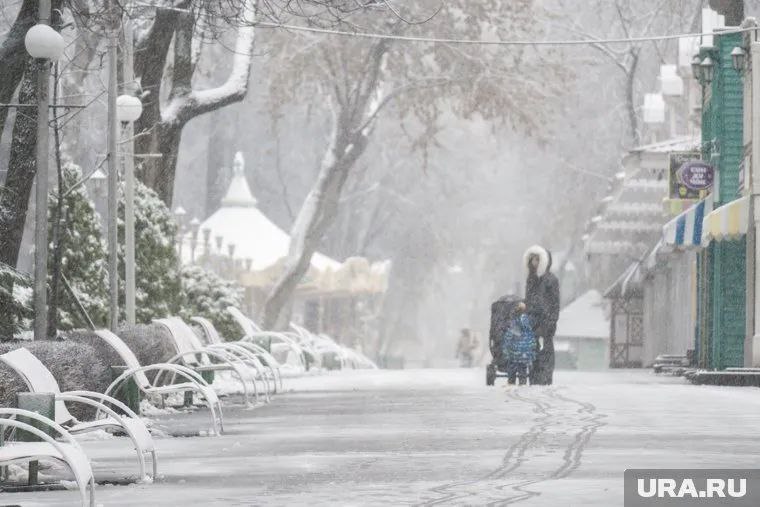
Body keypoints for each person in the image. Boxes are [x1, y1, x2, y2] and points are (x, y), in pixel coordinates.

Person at [523, 245, 560, 385]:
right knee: (533, 351)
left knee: (547, 351)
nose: (534, 262)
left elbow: (555, 303)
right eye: (532, 259)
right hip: (533, 323)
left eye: (537, 259)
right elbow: (528, 300)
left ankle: (546, 377)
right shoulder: (531, 279)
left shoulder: (551, 280)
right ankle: (534, 377)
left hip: (546, 323)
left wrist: (551, 321)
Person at [502, 302, 536, 385]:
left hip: (514, 350)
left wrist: (506, 346)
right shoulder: (527, 322)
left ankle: (511, 383)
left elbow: (509, 335)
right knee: (522, 369)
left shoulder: (514, 321)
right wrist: (531, 349)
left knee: (512, 369)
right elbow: (531, 340)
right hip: (524, 352)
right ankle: (522, 383)